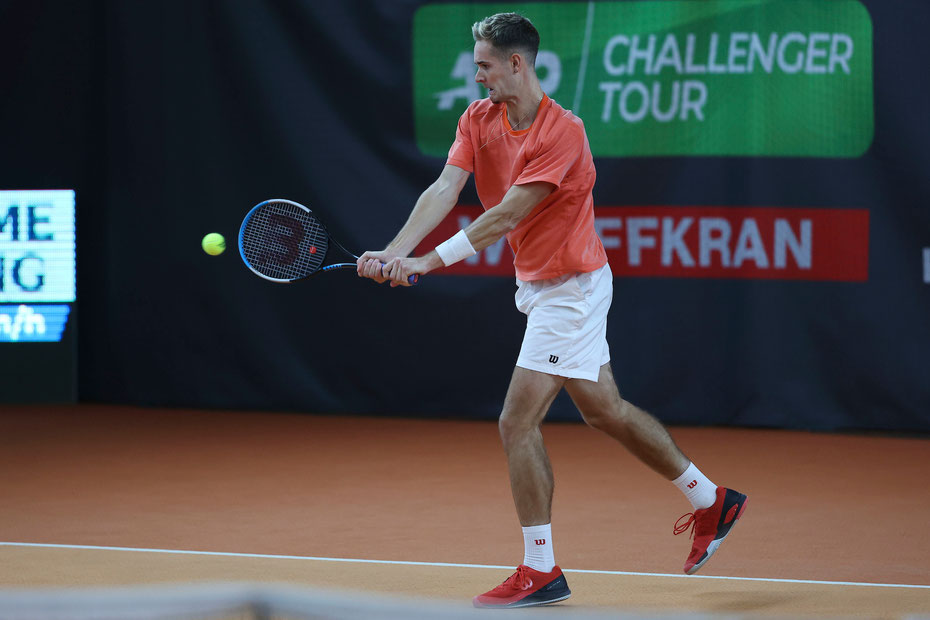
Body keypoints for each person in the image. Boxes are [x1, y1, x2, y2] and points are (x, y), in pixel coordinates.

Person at [357, 12, 748, 609]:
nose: (478, 76)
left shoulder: (562, 131)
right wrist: (394, 251)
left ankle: (540, 568)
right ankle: (710, 500)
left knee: (516, 422)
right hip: (542, 286)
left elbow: (508, 214)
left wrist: (427, 263)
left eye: (485, 65)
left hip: (572, 291)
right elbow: (445, 188)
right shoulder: (477, 119)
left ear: (516, 63)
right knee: (605, 411)